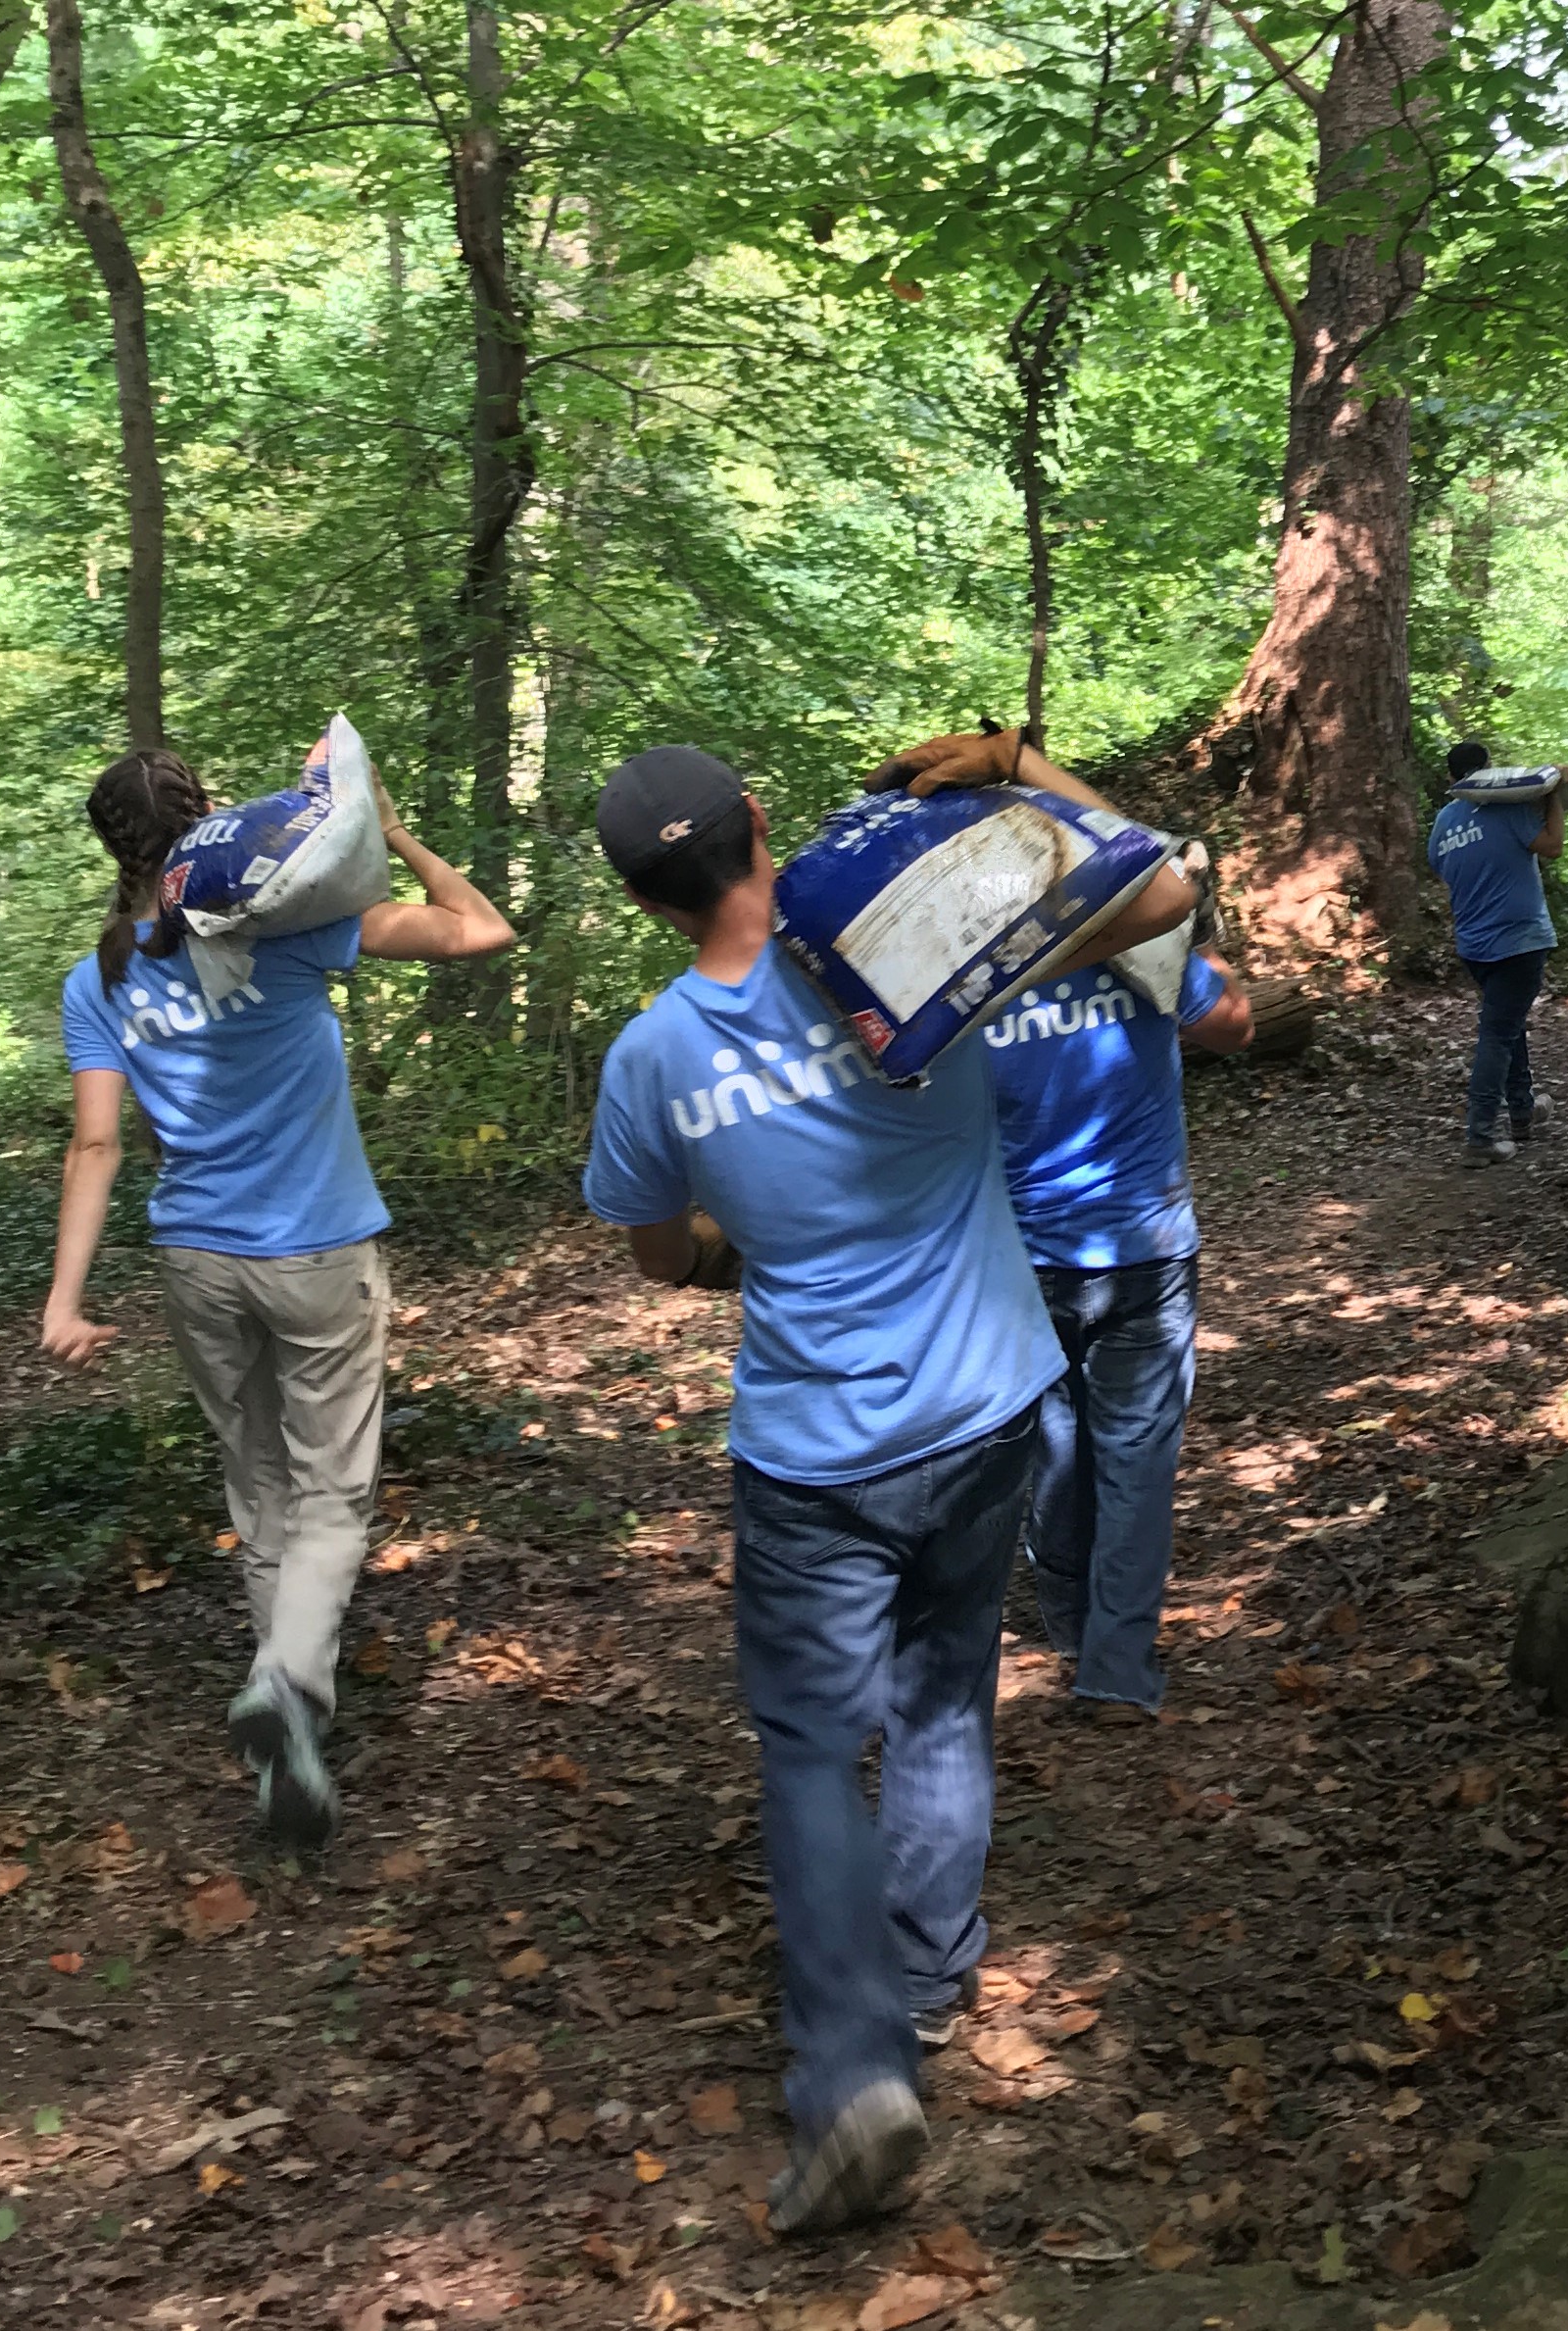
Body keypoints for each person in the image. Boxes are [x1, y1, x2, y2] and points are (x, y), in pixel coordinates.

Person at [579, 732, 1195, 2236]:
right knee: (943, 1692)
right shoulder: (912, 952)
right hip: (985, 1399)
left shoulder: (653, 1055)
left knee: (808, 1747)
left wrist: (741, 1243)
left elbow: (659, 1253)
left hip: (811, 1451)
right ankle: (927, 1975)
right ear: (758, 827)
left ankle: (853, 2070)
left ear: (643, 897)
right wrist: (1028, 772)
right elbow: (1163, 887)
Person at [41, 743, 514, 1847]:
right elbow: (479, 926)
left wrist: (63, 1299)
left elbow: (97, 1141)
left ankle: (284, 1730)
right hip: (318, 1251)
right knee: (331, 1494)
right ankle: (292, 1686)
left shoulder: (98, 979)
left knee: (258, 1495)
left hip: (196, 1262)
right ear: (205, 822)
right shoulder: (287, 929)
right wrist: (385, 827)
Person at [984, 919, 1252, 1722]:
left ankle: (1069, 1621)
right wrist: (1202, 936)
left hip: (1022, 1251)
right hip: (1144, 1246)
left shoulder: (958, 951)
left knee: (1056, 1435)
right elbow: (1233, 1025)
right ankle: (1115, 1669)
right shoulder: (1129, 924)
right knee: (1134, 1459)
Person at [1426, 738, 1567, 1166]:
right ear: (1490, 770)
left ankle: (1522, 1112)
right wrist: (1555, 796)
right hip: (1519, 942)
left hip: (1474, 946)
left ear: (1451, 778)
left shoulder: (1445, 820)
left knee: (1505, 1024)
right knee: (1497, 1033)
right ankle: (1481, 1137)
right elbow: (1553, 845)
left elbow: (1438, 866)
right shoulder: (1508, 811)